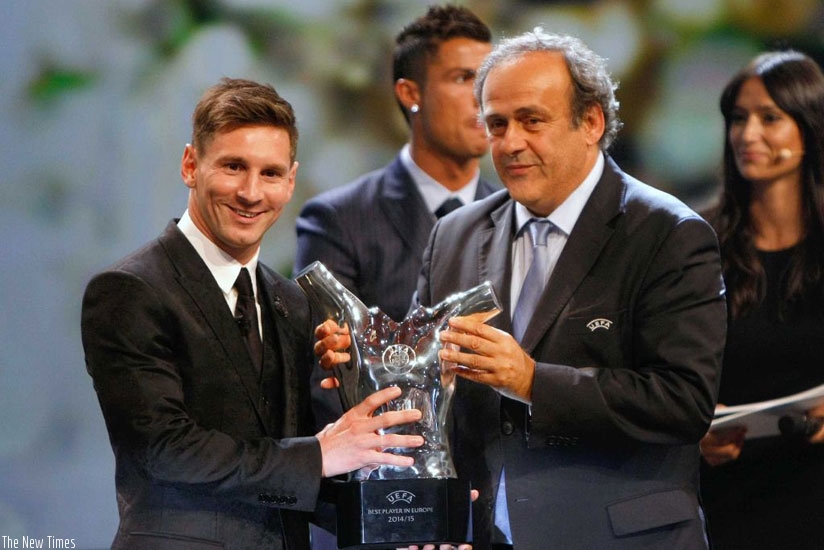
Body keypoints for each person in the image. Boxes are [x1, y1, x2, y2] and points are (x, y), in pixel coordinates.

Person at [318, 29, 727, 549]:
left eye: (532, 120)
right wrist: (367, 361)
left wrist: (533, 381)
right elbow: (430, 389)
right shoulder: (455, 234)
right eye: (496, 124)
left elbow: (684, 401)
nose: (510, 142)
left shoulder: (668, 233)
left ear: (592, 123)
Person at [80, 78, 424, 550]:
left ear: (290, 182)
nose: (250, 192)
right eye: (233, 166)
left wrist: (410, 516)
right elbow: (164, 450)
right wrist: (320, 453)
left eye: (270, 173)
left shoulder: (292, 302)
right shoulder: (130, 290)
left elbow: (293, 468)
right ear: (190, 165)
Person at [293, 4, 498, 323]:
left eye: (488, 79)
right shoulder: (338, 220)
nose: (484, 97)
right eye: (463, 78)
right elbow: (330, 361)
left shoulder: (516, 215)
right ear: (410, 93)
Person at [698, 50, 824, 550]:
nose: (748, 135)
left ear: (810, 127)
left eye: (770, 118)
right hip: (727, 498)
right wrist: (696, 430)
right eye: (738, 118)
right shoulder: (696, 241)